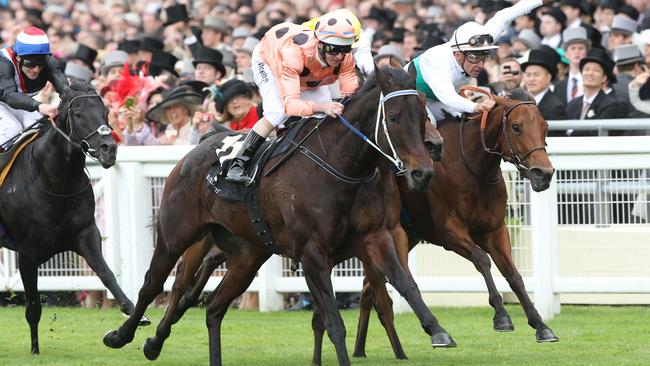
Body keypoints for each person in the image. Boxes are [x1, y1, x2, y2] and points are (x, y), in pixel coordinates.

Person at [219, 10, 359, 184]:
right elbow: (291, 105)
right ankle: (238, 163)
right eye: (334, 49)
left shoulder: (346, 58)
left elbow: (352, 96)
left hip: (307, 73)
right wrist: (323, 106)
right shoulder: (293, 54)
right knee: (277, 112)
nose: (339, 56)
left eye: (345, 49)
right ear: (320, 44)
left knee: (324, 114)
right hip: (270, 59)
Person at [408, 0, 549, 124]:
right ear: (458, 55)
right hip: (408, 98)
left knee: (465, 120)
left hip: (433, 98)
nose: (480, 65)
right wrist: (474, 106)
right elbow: (448, 97)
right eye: (474, 58)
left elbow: (504, 16)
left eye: (484, 57)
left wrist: (539, 1)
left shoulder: (481, 41)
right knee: (430, 123)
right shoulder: (437, 62)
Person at [0, 26, 69, 148]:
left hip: (19, 102)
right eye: (30, 63)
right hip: (4, 100)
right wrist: (39, 105)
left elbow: (64, 88)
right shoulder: (3, 62)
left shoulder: (48, 61)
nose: (36, 69)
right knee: (12, 129)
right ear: (18, 57)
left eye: (40, 63)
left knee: (37, 127)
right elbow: (10, 96)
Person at [566, 48, 626, 132]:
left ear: (604, 78)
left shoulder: (610, 104)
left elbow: (595, 133)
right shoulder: (573, 104)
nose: (590, 73)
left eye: (596, 70)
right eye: (586, 69)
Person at [521, 49, 568, 121]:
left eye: (536, 75)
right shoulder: (520, 103)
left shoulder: (555, 108)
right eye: (528, 75)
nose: (531, 79)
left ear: (548, 77)